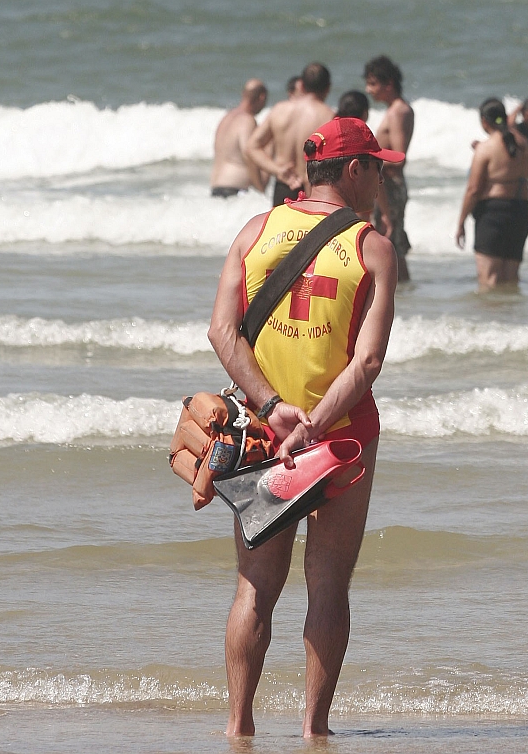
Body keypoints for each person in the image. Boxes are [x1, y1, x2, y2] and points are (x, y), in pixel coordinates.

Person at [207, 117, 401, 738]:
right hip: (339, 439)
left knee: (255, 588)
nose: (382, 178)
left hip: (264, 437)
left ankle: (239, 729)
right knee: (327, 586)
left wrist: (271, 409)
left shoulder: (254, 231)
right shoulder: (371, 246)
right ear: (354, 170)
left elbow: (221, 333)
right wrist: (313, 425)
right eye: (377, 166)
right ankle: (314, 733)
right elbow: (367, 361)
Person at [455, 98, 528, 292]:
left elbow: (473, 190)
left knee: (489, 280)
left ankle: (490, 321)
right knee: (510, 279)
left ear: (484, 121)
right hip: (521, 211)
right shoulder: (523, 143)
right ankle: (509, 319)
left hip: (493, 213)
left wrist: (461, 222)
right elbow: (526, 172)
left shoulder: (486, 148)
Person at [244, 62, 334, 207]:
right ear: (328, 88)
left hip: (283, 186)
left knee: (280, 229)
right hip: (311, 189)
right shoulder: (328, 116)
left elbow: (252, 147)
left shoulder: (279, 110)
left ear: (302, 85)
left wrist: (278, 170)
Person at [364, 55, 415, 283]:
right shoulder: (396, 110)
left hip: (391, 186)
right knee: (391, 243)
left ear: (389, 84)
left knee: (391, 244)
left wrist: (368, 157)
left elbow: (399, 156)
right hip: (389, 186)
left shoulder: (398, 112)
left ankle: (400, 293)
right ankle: (401, 293)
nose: (368, 89)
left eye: (373, 83)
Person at [210, 79, 268, 197]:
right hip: (234, 190)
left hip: (216, 188)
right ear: (262, 97)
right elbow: (249, 154)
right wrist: (260, 188)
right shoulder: (247, 120)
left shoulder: (226, 118)